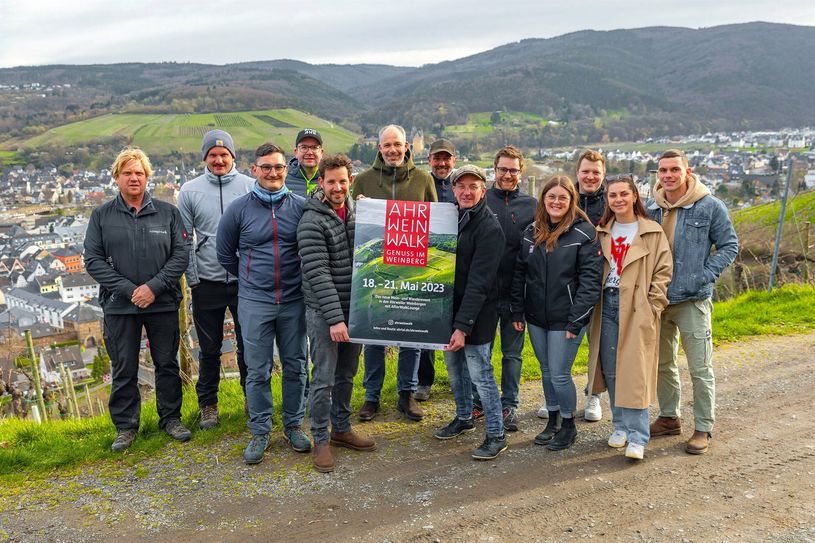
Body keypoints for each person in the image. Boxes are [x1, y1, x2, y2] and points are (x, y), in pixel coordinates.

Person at [84, 147, 191, 452]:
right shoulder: (101, 215)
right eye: (127, 172)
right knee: (123, 367)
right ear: (116, 177)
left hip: (163, 302)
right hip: (120, 305)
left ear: (147, 177)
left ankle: (171, 418)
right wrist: (131, 290)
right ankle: (126, 426)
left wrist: (153, 287)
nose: (134, 178)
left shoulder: (168, 212)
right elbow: (92, 260)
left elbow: (181, 254)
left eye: (139, 173)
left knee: (167, 363)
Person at [216, 143, 309, 464]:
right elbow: (225, 254)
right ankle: (260, 430)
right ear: (253, 170)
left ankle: (294, 425)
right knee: (257, 370)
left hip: (294, 300)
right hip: (255, 301)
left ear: (287, 169)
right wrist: (251, 278)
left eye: (279, 167)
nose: (273, 173)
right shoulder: (238, 210)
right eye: (266, 167)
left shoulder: (300, 207)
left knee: (296, 365)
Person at [647, 149, 738, 455]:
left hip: (693, 299)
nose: (668, 175)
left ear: (687, 171)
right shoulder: (652, 208)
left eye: (674, 169)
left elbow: (729, 245)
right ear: (658, 174)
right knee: (662, 364)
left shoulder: (710, 206)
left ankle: (703, 427)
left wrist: (706, 275)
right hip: (659, 299)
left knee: (700, 367)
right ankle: (670, 417)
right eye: (663, 170)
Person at [351, 124, 437, 422]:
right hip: (375, 270)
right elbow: (353, 226)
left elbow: (434, 222)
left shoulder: (424, 180)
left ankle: (407, 394)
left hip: (411, 270)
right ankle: (371, 396)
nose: (392, 150)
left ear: (406, 147)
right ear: (379, 148)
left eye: (397, 144)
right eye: (387, 145)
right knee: (373, 334)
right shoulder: (362, 182)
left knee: (410, 336)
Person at [510, 174, 602, 451]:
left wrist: (577, 319)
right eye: (551, 196)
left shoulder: (584, 233)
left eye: (563, 197)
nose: (557, 201)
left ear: (572, 201)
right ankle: (552, 420)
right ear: (543, 199)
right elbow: (519, 274)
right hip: (537, 315)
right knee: (547, 371)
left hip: (567, 318)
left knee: (560, 374)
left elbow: (590, 282)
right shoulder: (532, 231)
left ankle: (568, 425)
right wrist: (517, 311)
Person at [297, 154, 376, 473]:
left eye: (343, 181)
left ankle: (341, 429)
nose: (338, 187)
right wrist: (335, 320)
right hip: (324, 313)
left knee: (347, 373)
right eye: (331, 181)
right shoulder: (311, 220)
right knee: (324, 378)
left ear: (350, 181)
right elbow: (317, 273)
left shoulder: (358, 212)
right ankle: (321, 439)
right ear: (321, 183)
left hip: (354, 309)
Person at [586, 174, 672, 460]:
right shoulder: (602, 231)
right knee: (610, 367)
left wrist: (653, 304)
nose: (619, 199)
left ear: (635, 195)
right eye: (613, 195)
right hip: (607, 302)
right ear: (608, 200)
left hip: (637, 305)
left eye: (624, 193)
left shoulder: (651, 231)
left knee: (634, 371)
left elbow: (663, 270)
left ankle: (638, 436)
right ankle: (620, 426)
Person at [177, 129, 253, 429]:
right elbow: (184, 238)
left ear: (232, 156)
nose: (218, 159)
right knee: (209, 349)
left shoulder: (249, 185)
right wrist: (193, 278)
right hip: (206, 282)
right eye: (212, 155)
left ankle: (252, 397)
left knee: (249, 344)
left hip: (243, 281)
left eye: (224, 154)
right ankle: (208, 405)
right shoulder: (189, 191)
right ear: (205, 158)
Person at [434, 165, 507, 460]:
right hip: (450, 310)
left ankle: (497, 434)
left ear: (483, 191)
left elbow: (479, 284)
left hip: (477, 315)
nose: (466, 191)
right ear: (453, 190)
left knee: (481, 374)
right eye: (461, 186)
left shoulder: (489, 228)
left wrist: (462, 327)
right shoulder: (454, 216)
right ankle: (464, 417)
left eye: (472, 186)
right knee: (454, 371)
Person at [475, 145, 536, 432]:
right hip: (485, 294)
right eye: (502, 169)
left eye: (513, 170)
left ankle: (509, 404)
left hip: (517, 294)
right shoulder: (481, 200)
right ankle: (478, 402)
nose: (507, 174)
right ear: (494, 170)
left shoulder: (532, 206)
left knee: (512, 354)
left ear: (520, 172)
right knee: (481, 353)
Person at [415, 138, 457, 402]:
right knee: (426, 324)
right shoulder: (421, 183)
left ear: (454, 159)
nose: (442, 163)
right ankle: (424, 381)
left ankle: (458, 379)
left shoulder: (461, 185)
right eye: (437, 158)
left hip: (459, 262)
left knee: (456, 325)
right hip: (426, 261)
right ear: (429, 159)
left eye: (447, 158)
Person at [574, 149, 608, 423]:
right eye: (586, 171)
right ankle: (556, 395)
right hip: (568, 282)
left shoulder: (613, 201)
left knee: (596, 343)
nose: (590, 176)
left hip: (602, 281)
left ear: (603, 175)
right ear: (577, 172)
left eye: (596, 172)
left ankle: (593, 395)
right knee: (564, 341)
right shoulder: (565, 197)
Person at [286, 128, 324, 197]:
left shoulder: (330, 178)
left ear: (321, 152)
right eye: (304, 147)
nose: (309, 152)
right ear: (296, 152)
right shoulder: (282, 177)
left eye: (314, 147)